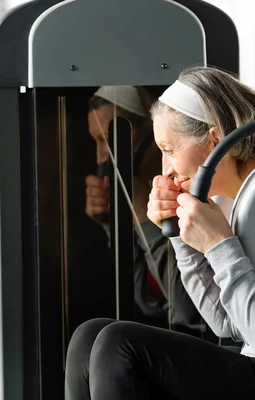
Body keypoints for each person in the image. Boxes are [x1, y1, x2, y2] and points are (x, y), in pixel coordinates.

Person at [65, 66, 255, 400]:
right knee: (89, 337)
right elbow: (226, 324)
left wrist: (219, 245)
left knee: (120, 346)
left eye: (170, 149)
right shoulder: (242, 202)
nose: (165, 169)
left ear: (216, 140)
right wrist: (177, 234)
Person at [85, 85, 203, 333]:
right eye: (95, 142)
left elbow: (186, 310)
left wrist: (139, 210)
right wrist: (113, 222)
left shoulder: (193, 193)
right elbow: (147, 299)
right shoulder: (151, 192)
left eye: (107, 140)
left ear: (150, 134)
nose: (99, 157)